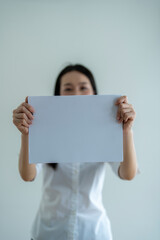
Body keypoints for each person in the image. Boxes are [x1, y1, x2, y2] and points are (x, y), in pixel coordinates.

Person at [12, 64, 139, 240]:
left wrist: (126, 130)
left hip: (94, 231)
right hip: (49, 231)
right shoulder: (46, 128)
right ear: (58, 95)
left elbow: (128, 173)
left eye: (83, 88)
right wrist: (27, 133)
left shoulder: (105, 130)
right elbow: (27, 174)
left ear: (94, 92)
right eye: (68, 89)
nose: (76, 94)